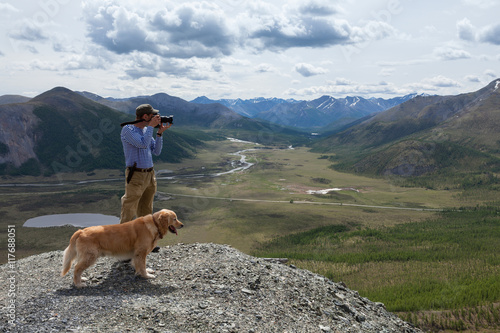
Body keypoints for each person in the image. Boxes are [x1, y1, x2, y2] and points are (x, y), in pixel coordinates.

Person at [120, 104, 171, 226]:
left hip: (150, 174)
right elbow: (142, 144)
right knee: (129, 208)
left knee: (146, 209)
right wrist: (150, 127)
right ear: (145, 116)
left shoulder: (145, 130)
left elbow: (156, 151)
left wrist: (159, 134)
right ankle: (121, 242)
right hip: (136, 174)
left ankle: (145, 242)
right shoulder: (128, 129)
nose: (156, 118)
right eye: (153, 115)